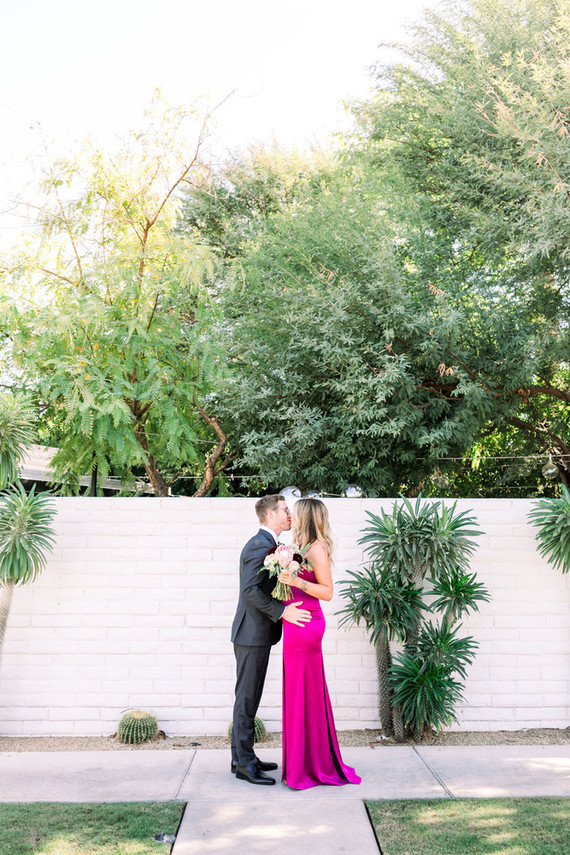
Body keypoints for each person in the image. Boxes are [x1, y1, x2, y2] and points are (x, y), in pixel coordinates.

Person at [278, 497, 361, 789]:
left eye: (295, 513)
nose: (291, 516)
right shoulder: (300, 547)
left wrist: (296, 582)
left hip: (306, 624)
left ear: (306, 517)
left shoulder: (316, 548)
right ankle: (301, 763)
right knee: (298, 692)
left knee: (304, 692)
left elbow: (327, 592)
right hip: (294, 622)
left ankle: (309, 767)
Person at [231, 494, 312, 785]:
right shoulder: (259, 546)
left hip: (257, 634)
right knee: (247, 698)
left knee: (249, 697)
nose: (290, 514)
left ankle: (242, 758)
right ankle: (244, 764)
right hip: (251, 634)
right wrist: (283, 612)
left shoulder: (270, 544)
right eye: (285, 510)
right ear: (270, 515)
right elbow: (250, 591)